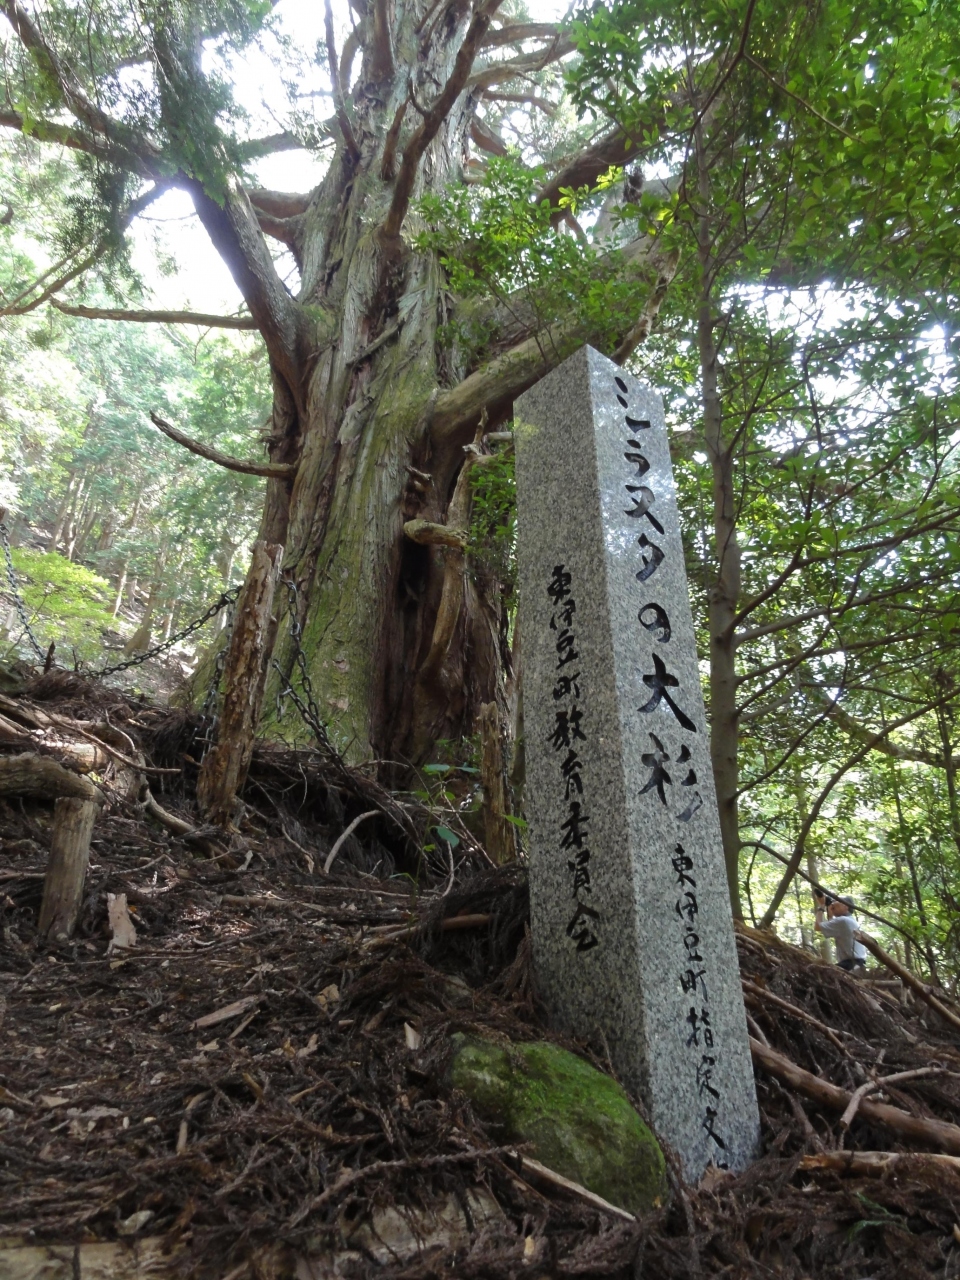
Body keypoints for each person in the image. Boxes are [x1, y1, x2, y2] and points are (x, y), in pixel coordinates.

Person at [813, 891, 867, 975]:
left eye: (836, 901)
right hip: (856, 964)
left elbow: (817, 927)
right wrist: (830, 915)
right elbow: (832, 928)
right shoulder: (849, 920)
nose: (833, 904)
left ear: (846, 906)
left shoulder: (843, 921)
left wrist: (821, 906)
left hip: (851, 965)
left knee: (819, 974)